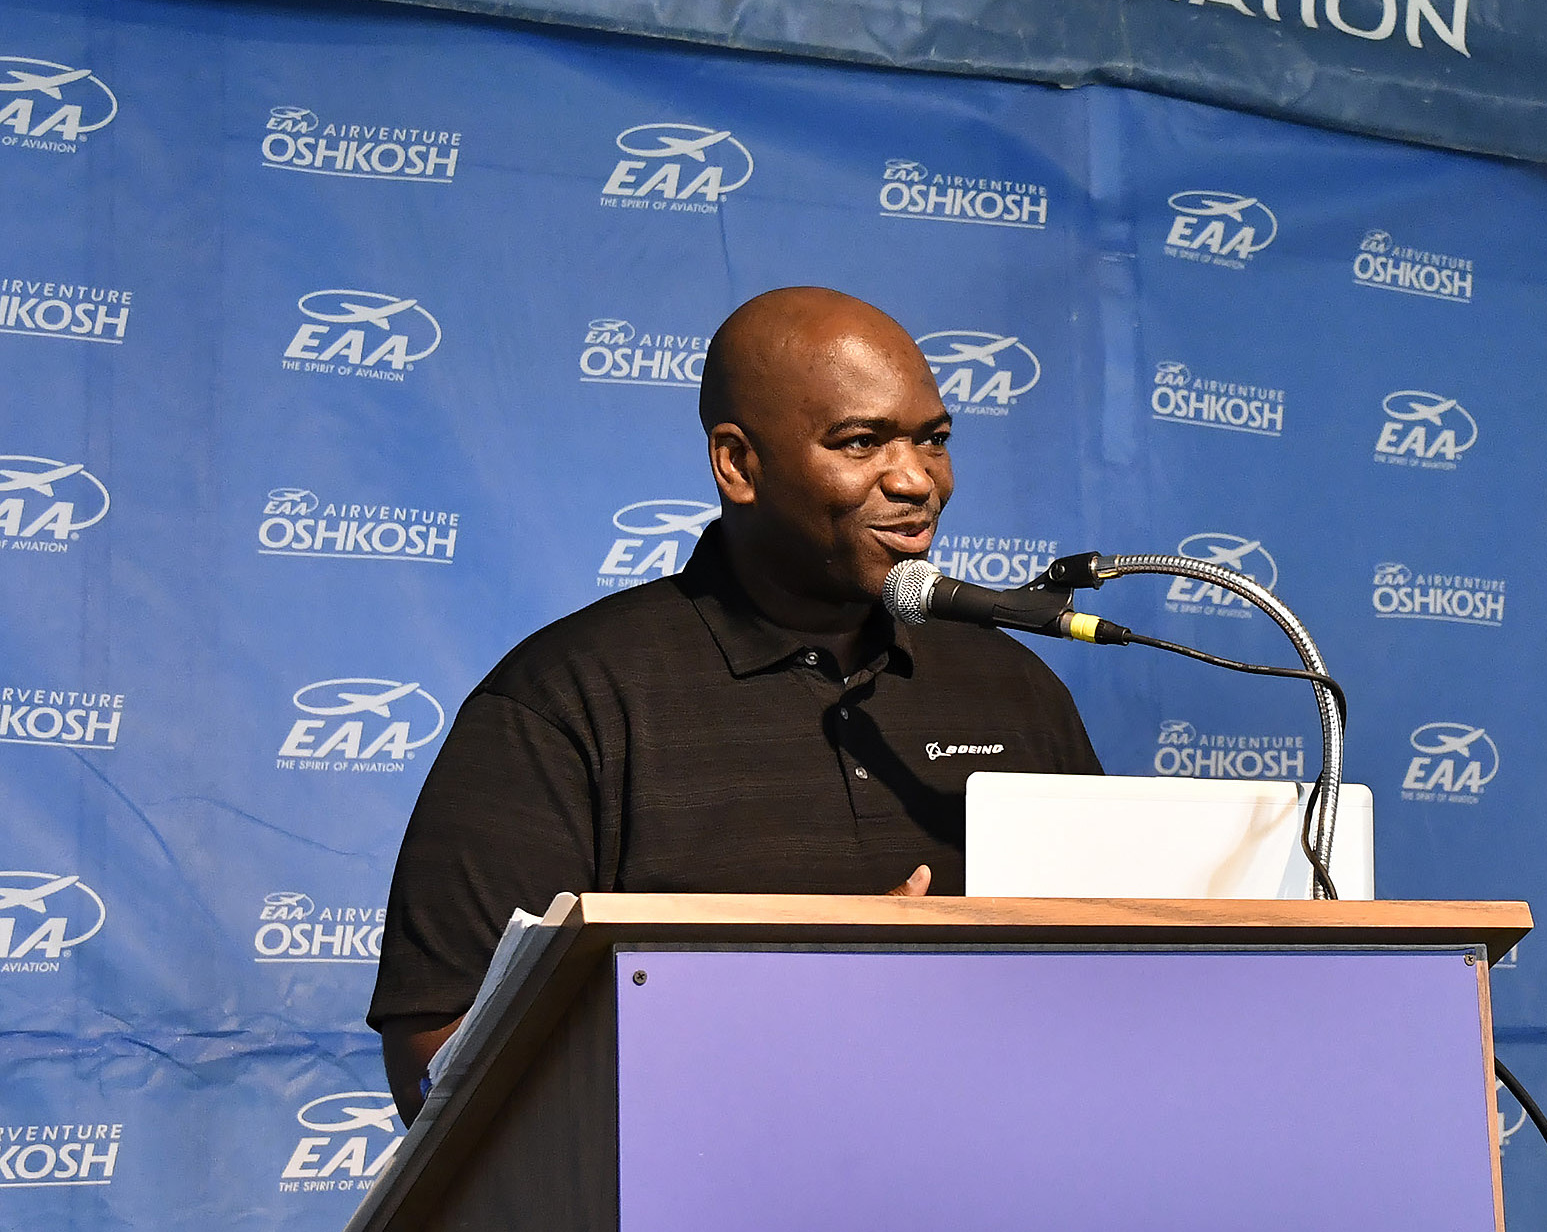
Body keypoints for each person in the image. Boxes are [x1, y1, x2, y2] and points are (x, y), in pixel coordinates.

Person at [366, 288, 1102, 1118]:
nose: (915, 480)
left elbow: (1127, 975)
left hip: (998, 1198)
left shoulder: (1013, 687)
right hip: (694, 1226)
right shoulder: (563, 702)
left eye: (932, 440)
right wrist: (796, 1000)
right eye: (860, 443)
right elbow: (437, 1070)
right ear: (739, 465)